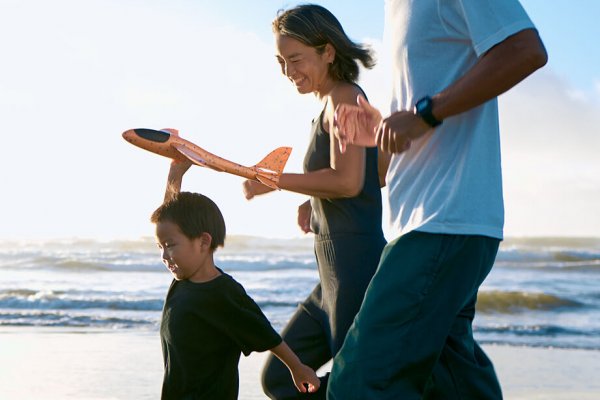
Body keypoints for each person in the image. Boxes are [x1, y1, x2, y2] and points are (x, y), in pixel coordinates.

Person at [327, 1, 548, 399]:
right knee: (453, 384)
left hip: (443, 220)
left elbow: (525, 49)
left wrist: (425, 114)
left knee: (358, 383)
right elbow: (411, 127)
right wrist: (380, 132)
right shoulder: (395, 9)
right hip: (416, 221)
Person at [241, 5, 387, 399]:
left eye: (295, 59)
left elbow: (349, 181)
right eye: (281, 62)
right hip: (331, 275)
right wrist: (312, 198)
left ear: (328, 51)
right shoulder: (328, 106)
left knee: (352, 385)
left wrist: (267, 178)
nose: (289, 72)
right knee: (279, 377)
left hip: (355, 264)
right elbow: (375, 172)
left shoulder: (347, 100)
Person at [150, 155, 320, 400]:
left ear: (203, 242)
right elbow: (169, 220)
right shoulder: (182, 282)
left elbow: (265, 332)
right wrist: (175, 177)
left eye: (170, 246)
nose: (164, 255)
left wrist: (297, 368)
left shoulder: (222, 293)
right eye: (160, 247)